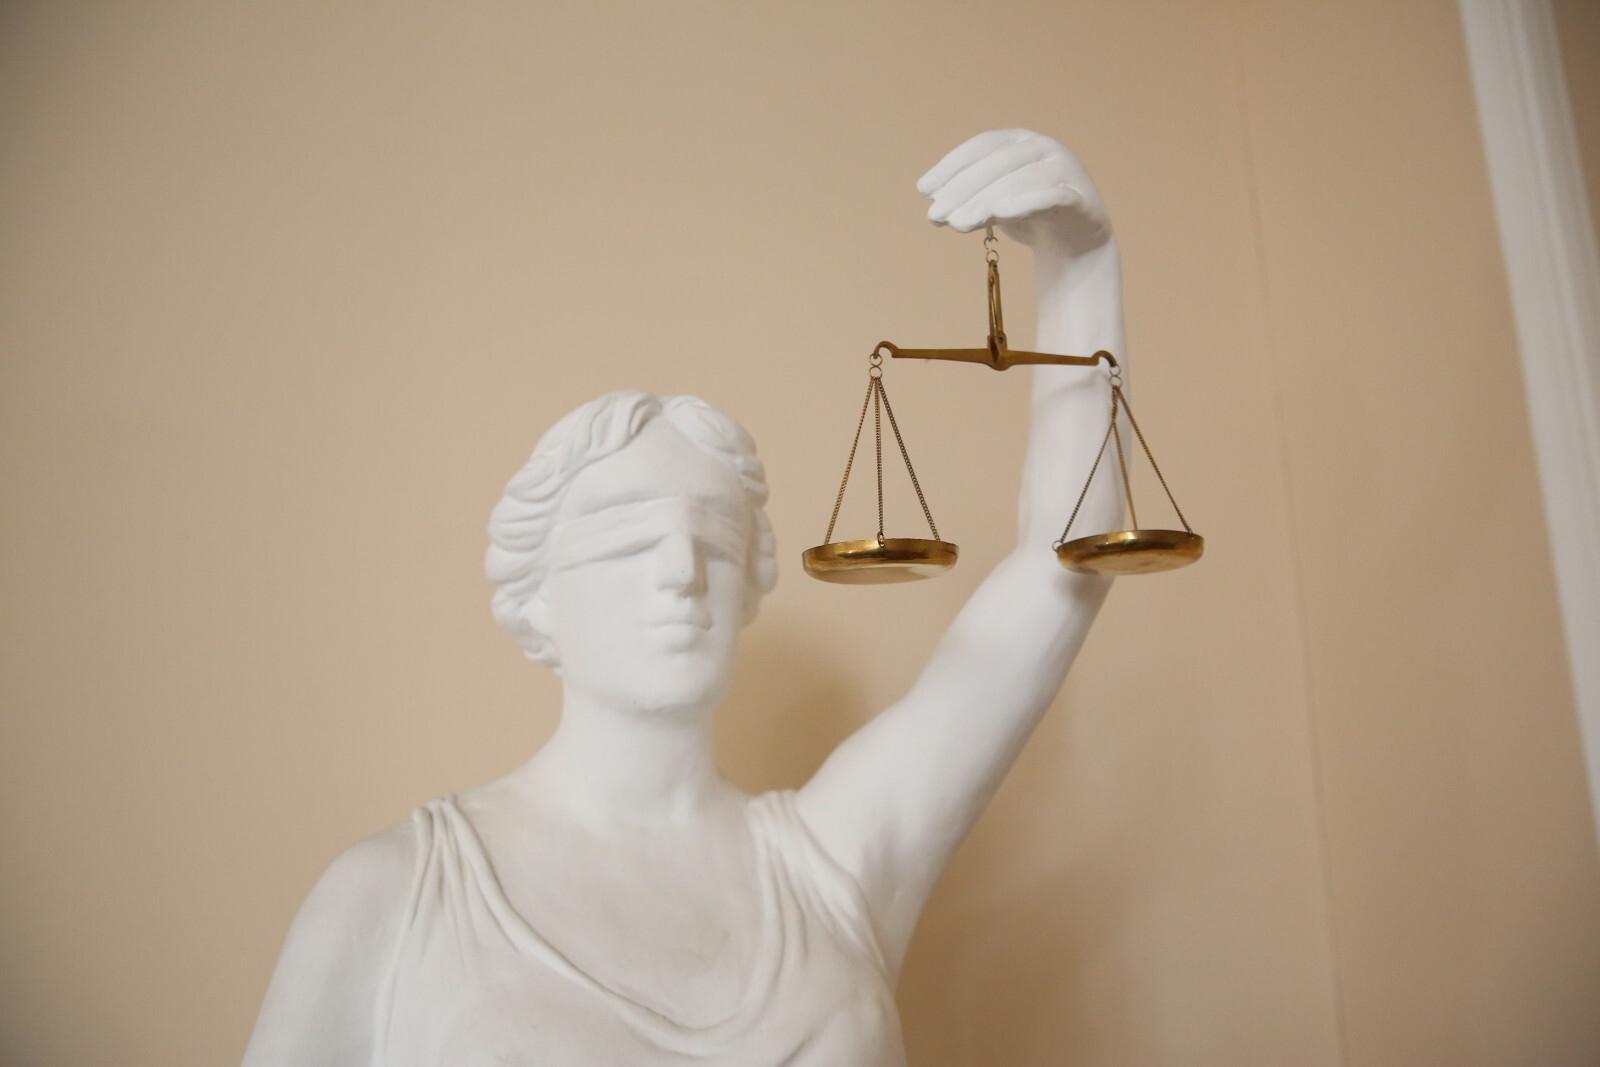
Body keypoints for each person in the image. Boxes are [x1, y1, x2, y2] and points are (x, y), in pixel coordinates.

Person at [242, 127, 1127, 1066]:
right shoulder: (393, 899)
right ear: (534, 597)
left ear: (750, 584)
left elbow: (1064, 563)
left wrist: (1084, 267)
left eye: (716, 538)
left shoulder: (835, 863)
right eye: (625, 536)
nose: (680, 568)